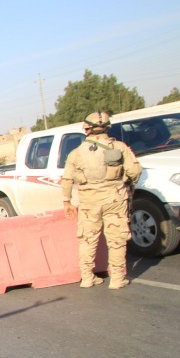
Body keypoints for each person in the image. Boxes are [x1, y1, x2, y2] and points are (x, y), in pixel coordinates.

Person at [61, 111, 143, 289]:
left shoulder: (76, 153)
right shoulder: (119, 147)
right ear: (107, 128)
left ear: (86, 129)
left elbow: (67, 179)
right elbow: (135, 171)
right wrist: (130, 184)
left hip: (88, 202)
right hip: (115, 199)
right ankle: (117, 279)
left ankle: (87, 278)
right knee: (116, 239)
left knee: (87, 239)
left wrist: (67, 202)